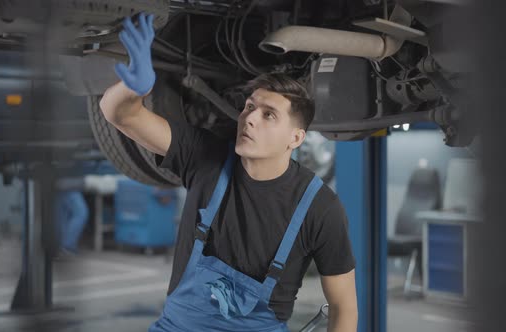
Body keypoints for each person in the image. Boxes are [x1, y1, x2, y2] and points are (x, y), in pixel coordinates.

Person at [100, 12, 358, 332]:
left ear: (296, 138)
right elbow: (120, 115)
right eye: (249, 107)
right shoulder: (204, 157)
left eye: (269, 115)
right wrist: (131, 88)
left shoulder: (320, 207)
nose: (249, 118)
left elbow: (344, 306)